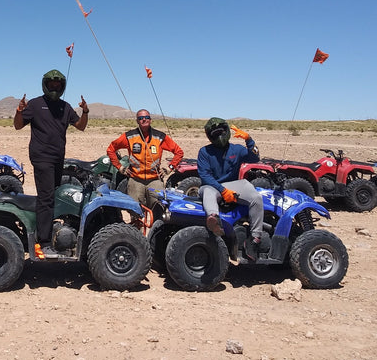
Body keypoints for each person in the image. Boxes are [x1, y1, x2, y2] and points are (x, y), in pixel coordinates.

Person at [14, 69, 88, 259]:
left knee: (53, 194)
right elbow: (18, 125)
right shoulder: (36, 104)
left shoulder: (65, 107)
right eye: (51, 84)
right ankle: (44, 243)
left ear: (62, 86)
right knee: (46, 197)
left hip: (58, 158)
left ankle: (47, 228)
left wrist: (85, 111)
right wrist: (19, 111)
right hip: (41, 157)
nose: (55, 87)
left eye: (58, 85)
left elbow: (80, 126)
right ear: (45, 85)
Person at [196, 117, 262, 260]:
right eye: (215, 133)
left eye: (221, 131)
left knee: (256, 197)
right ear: (209, 136)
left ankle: (255, 238)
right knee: (208, 192)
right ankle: (214, 219)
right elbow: (205, 176)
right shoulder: (204, 152)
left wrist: (249, 140)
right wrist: (222, 190)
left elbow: (255, 158)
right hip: (211, 185)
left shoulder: (237, 150)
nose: (219, 135)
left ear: (226, 131)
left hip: (233, 184)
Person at [106, 109, 184, 209]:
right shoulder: (129, 136)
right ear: (137, 121)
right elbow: (111, 149)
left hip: (155, 180)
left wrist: (169, 169)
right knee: (135, 210)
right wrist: (120, 167)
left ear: (150, 120)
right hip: (135, 180)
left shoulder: (160, 137)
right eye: (140, 118)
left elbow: (179, 152)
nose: (144, 120)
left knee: (158, 209)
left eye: (146, 117)